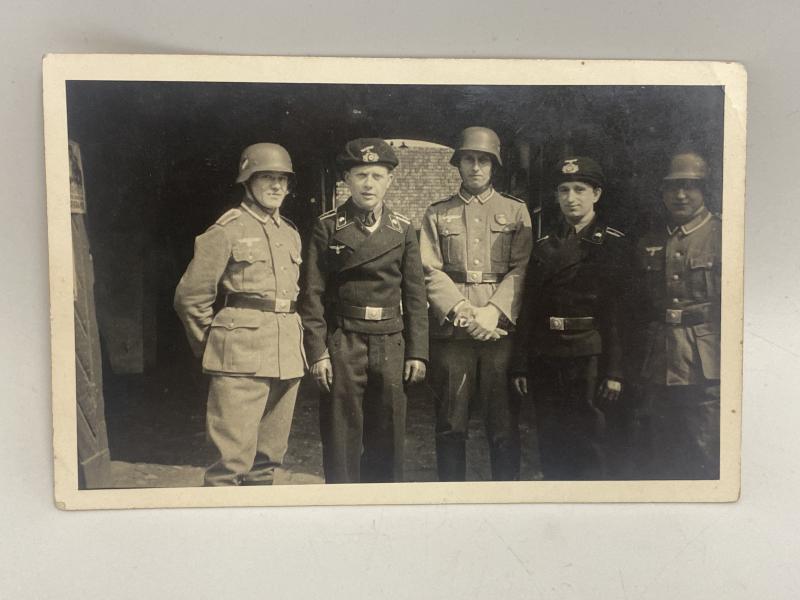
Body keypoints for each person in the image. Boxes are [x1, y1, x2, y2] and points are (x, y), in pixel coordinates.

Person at [174, 143, 305, 486]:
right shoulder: (227, 230)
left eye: (282, 179)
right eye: (266, 178)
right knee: (229, 466)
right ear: (247, 182)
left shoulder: (290, 234)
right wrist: (214, 346)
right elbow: (190, 297)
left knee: (267, 464)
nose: (277, 186)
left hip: (286, 356)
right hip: (239, 359)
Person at [298, 138, 428, 483]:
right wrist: (318, 353)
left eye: (377, 175)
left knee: (389, 435)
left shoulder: (403, 229)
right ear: (347, 179)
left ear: (389, 180)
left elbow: (415, 294)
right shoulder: (328, 227)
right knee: (341, 437)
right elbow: (312, 293)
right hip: (345, 340)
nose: (369, 184)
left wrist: (418, 352)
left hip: (390, 340)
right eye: (361, 175)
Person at [420, 126, 533, 481]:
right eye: (468, 159)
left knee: (502, 425)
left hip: (499, 330)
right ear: (458, 164)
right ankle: (451, 499)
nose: (475, 167)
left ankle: (505, 499)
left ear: (494, 166)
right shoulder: (438, 213)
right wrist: (463, 312)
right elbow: (428, 268)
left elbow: (522, 267)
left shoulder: (515, 211)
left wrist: (493, 311)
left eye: (483, 160)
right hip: (455, 333)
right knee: (451, 423)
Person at [511, 156, 632, 480]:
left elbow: (617, 313)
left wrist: (615, 370)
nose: (571, 197)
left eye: (580, 189)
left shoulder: (612, 244)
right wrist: (521, 363)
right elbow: (530, 308)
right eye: (564, 190)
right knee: (551, 439)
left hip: (588, 354)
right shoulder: (545, 245)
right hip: (547, 353)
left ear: (597, 194)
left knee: (589, 438)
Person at [633, 151, 721, 479]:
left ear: (704, 190)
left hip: (707, 361)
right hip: (661, 357)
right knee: (663, 450)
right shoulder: (651, 240)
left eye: (689, 187)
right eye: (673, 187)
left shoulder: (721, 234)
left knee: (706, 448)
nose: (680, 195)